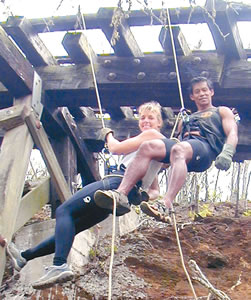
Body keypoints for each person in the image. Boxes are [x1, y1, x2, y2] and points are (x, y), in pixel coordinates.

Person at [6, 101, 171, 289]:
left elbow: (116, 148)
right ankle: (24, 257)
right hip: (116, 200)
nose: (146, 121)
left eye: (151, 118)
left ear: (159, 123)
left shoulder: (151, 136)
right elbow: (154, 190)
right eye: (142, 118)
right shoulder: (157, 151)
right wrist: (143, 197)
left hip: (114, 184)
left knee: (63, 211)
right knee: (71, 227)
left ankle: (59, 265)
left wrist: (107, 135)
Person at [94, 76, 238, 221]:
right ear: (192, 96)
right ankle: (121, 194)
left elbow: (232, 132)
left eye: (204, 90)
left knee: (178, 149)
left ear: (211, 92)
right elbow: (175, 157)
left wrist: (228, 152)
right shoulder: (185, 120)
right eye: (197, 91)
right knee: (148, 147)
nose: (201, 94)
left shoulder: (221, 111)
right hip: (186, 149)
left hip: (205, 148)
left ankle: (167, 203)